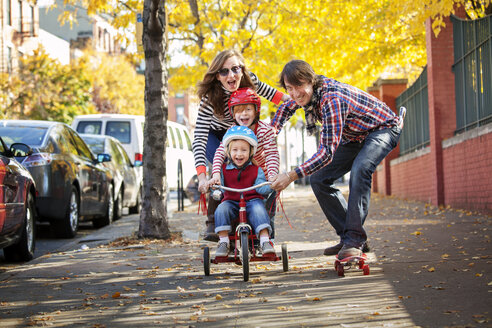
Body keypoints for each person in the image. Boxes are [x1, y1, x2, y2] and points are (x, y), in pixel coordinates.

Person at [270, 60, 404, 260]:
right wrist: (269, 134)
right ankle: (348, 235)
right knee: (319, 179)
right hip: (354, 136)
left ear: (311, 81)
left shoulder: (331, 99)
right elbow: (285, 108)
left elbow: (326, 152)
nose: (295, 93)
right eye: (289, 88)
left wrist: (291, 176)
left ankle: (354, 240)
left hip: (383, 129)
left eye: (299, 86)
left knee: (360, 170)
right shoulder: (306, 97)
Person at [193, 49, 288, 241]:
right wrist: (202, 178)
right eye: (224, 71)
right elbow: (199, 138)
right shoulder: (209, 98)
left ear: (242, 70)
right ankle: (214, 222)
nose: (231, 75)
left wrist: (298, 101)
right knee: (223, 167)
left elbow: (277, 96)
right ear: (217, 76)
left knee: (252, 169)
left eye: (235, 69)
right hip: (216, 134)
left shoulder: (249, 82)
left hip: (243, 133)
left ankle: (256, 222)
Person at [208, 88, 279, 236]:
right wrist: (215, 174)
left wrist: (272, 176)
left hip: (261, 176)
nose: (244, 114)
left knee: (265, 208)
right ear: (233, 114)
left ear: (256, 111)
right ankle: (227, 237)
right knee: (228, 203)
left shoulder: (264, 130)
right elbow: (220, 153)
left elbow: (272, 154)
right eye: (239, 110)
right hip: (239, 174)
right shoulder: (232, 131)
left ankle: (266, 238)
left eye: (248, 109)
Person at [209, 126, 275, 257]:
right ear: (228, 151)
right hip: (231, 201)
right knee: (221, 209)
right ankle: (223, 242)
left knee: (259, 209)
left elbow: (261, 188)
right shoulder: (223, 169)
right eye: (235, 150)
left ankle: (264, 241)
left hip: (252, 200)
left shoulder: (257, 170)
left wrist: (272, 186)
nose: (239, 154)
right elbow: (218, 187)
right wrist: (214, 186)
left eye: (244, 150)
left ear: (251, 152)